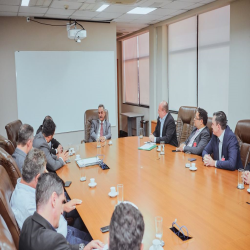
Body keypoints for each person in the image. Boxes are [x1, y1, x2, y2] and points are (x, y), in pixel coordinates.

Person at [10, 148, 91, 245]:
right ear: (38, 178)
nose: (47, 173)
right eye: (45, 172)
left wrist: (63, 207)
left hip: (65, 230)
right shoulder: (27, 205)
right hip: (62, 238)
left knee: (90, 235)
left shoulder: (23, 183)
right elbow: (49, 237)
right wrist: (62, 209)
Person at [19, 172, 104, 250]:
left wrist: (83, 247)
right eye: (62, 201)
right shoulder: (53, 240)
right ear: (54, 200)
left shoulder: (28, 222)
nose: (62, 212)